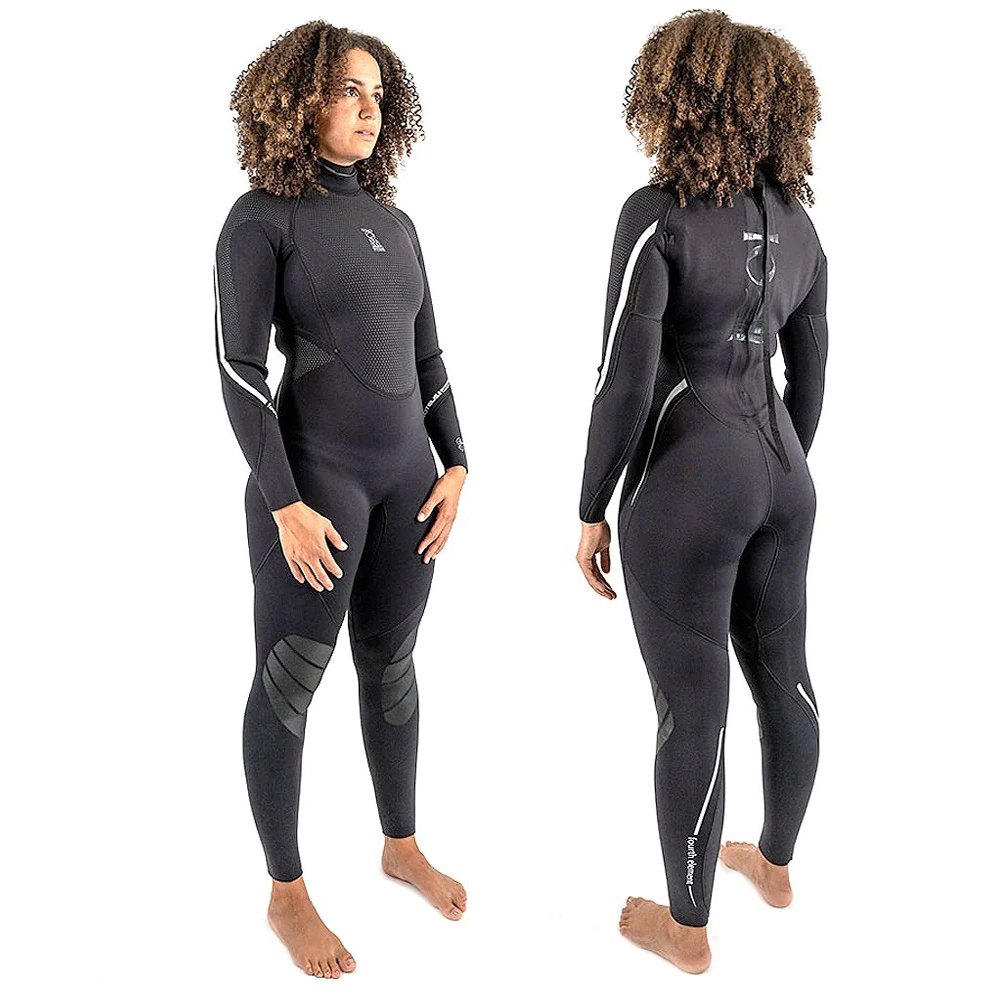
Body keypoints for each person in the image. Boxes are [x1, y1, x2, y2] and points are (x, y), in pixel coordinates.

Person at [213, 21, 468, 978]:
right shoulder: (260, 219)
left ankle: (400, 844)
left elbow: (429, 358)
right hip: (314, 487)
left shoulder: (398, 225)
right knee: (289, 680)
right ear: (300, 100)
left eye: (377, 94)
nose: (369, 109)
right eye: (349, 91)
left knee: (392, 666)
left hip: (410, 487)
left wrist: (459, 464)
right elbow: (238, 370)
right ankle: (286, 893)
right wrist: (282, 501)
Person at [576, 11, 828, 974]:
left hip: (688, 486)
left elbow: (624, 380)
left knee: (694, 709)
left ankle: (686, 931)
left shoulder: (659, 214)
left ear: (675, 96)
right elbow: (811, 378)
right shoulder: (802, 227)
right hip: (785, 478)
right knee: (787, 677)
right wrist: (774, 476)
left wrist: (592, 505)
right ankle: (775, 866)